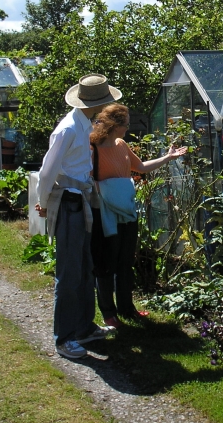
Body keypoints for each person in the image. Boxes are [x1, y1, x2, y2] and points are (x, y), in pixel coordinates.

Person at [34, 74, 121, 360]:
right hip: (69, 204)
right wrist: (44, 203)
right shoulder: (69, 128)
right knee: (69, 273)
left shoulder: (83, 124)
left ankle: (83, 328)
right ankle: (65, 338)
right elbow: (48, 171)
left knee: (84, 269)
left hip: (79, 201)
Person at [90, 103, 187, 327]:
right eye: (125, 124)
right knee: (106, 262)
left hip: (126, 210)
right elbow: (85, 178)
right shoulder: (92, 148)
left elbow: (141, 167)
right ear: (114, 125)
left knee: (125, 261)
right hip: (105, 213)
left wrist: (168, 158)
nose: (127, 128)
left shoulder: (121, 144)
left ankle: (126, 308)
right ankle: (108, 313)